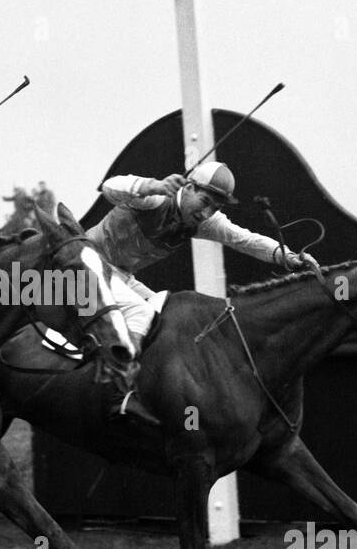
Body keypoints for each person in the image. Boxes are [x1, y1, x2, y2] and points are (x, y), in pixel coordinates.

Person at [81, 163, 320, 424]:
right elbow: (109, 187)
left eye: (215, 208)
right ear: (189, 187)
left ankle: (145, 387)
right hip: (87, 265)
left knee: (164, 317)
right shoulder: (155, 198)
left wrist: (290, 258)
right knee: (141, 312)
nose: (206, 212)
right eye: (204, 201)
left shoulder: (205, 222)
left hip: (122, 277)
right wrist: (153, 185)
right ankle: (118, 395)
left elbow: (245, 239)